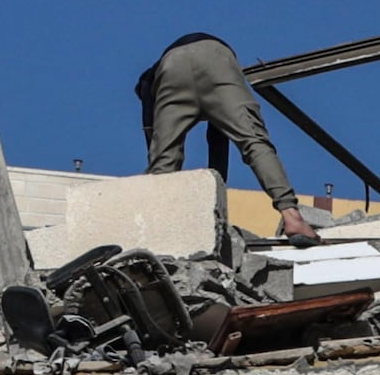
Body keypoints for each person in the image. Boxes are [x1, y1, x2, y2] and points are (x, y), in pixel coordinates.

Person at [132, 32, 315, 238]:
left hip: (173, 65)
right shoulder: (152, 81)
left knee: (163, 165)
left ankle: (157, 230)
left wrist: (158, 160)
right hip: (215, 58)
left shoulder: (148, 83)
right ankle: (292, 217)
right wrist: (217, 205)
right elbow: (218, 144)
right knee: (253, 142)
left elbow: (152, 136)